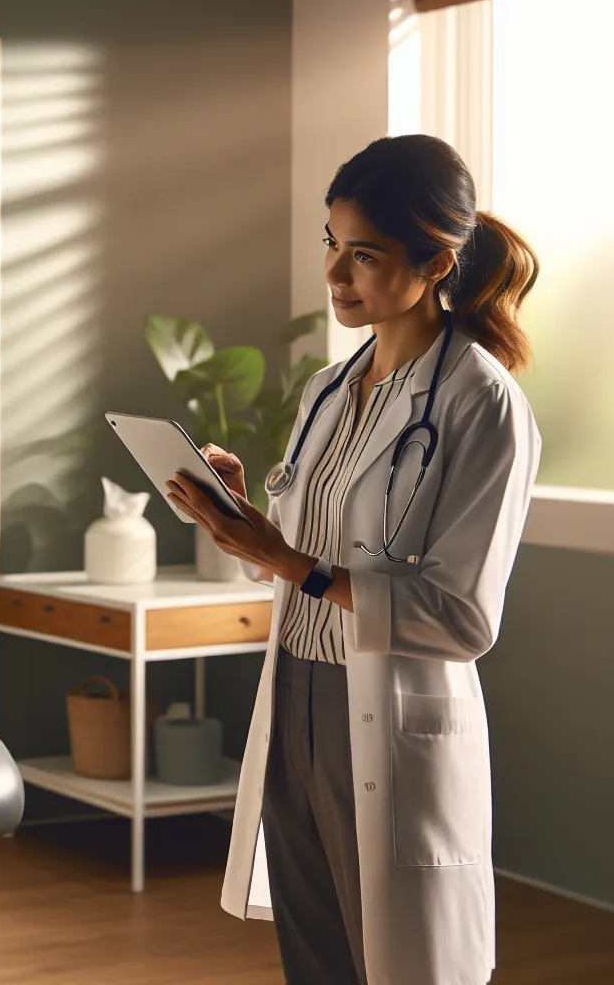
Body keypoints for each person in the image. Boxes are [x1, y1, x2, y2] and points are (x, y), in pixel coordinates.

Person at [165, 134, 542, 985]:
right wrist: (241, 520)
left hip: (386, 709)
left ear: (437, 261)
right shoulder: (331, 389)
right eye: (331, 245)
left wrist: (292, 562)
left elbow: (464, 618)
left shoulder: (483, 404)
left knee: (396, 963)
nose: (337, 276)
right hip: (295, 692)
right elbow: (308, 557)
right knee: (316, 953)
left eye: (364, 255)